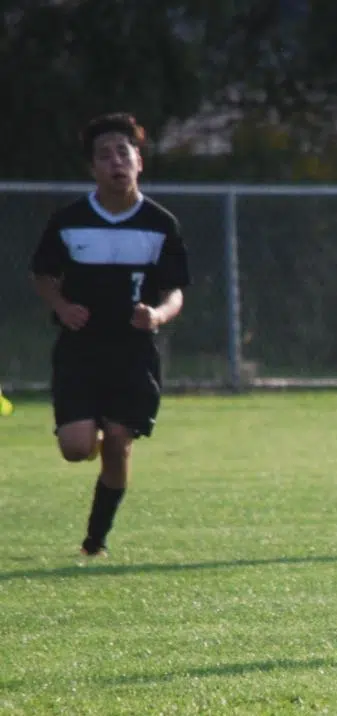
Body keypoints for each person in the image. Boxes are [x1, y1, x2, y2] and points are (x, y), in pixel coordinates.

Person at [30, 113, 191, 557]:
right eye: (105, 155)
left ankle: (95, 541)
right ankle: (94, 428)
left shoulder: (161, 224)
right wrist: (62, 307)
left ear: (139, 160)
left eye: (124, 152)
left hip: (133, 353)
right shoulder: (69, 220)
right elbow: (44, 275)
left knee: (118, 444)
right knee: (77, 448)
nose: (116, 161)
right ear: (93, 168)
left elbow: (174, 290)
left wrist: (157, 315)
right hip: (80, 351)